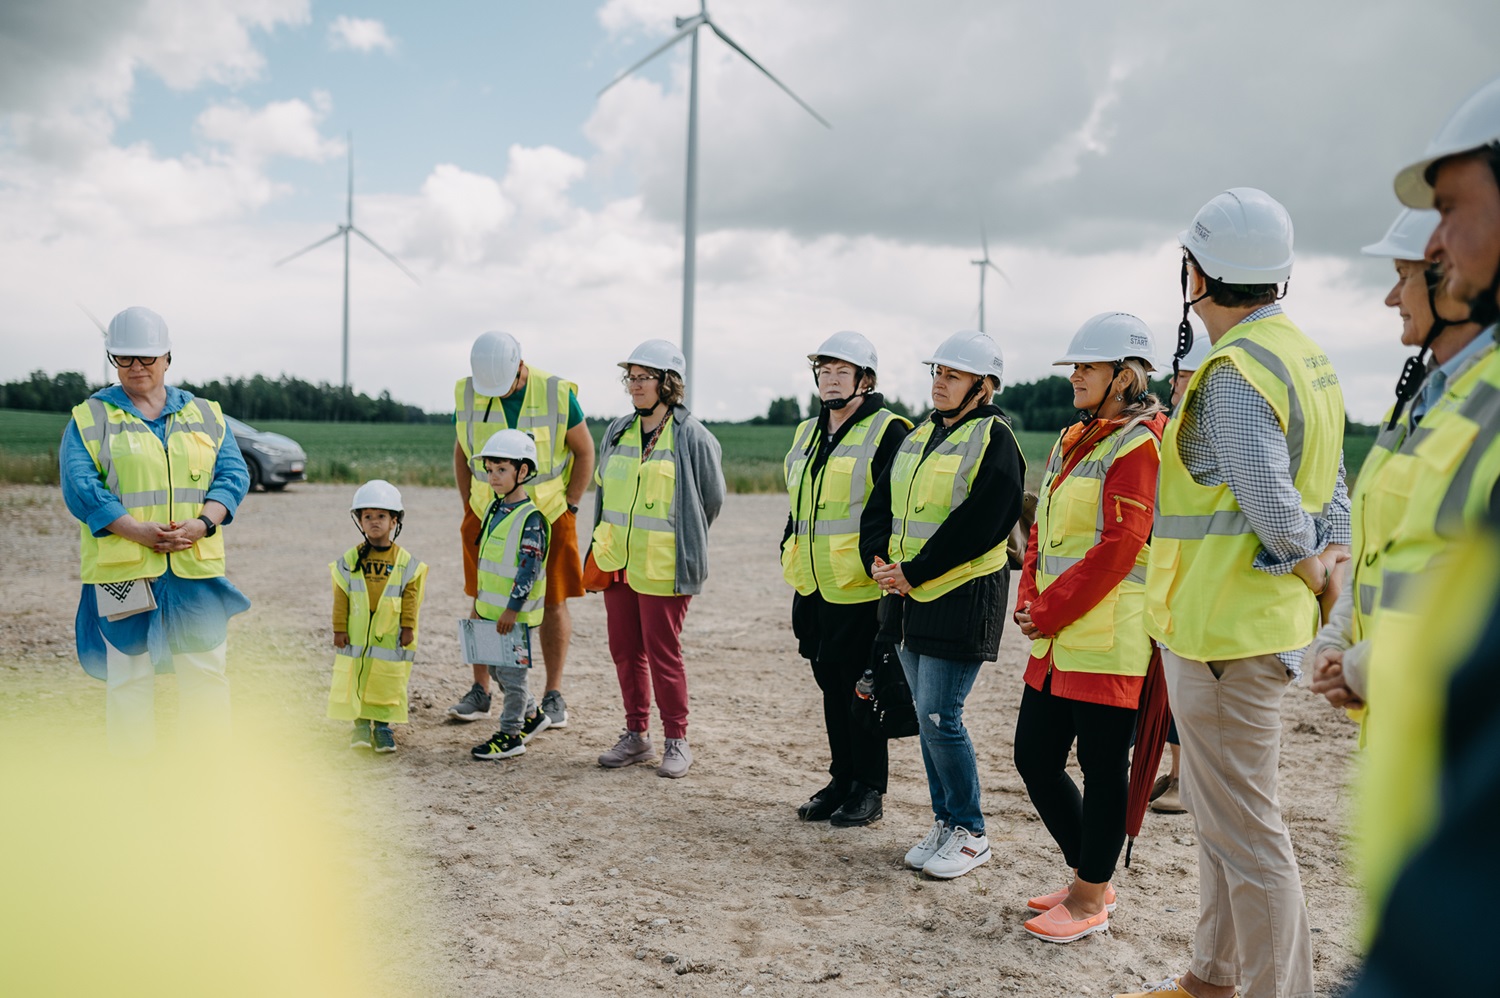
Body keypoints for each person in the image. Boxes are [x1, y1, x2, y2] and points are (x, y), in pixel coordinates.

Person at [1118, 188, 1351, 998]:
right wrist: (1328, 566)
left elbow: (1274, 504)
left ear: (1198, 274)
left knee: (1250, 836)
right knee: (1226, 820)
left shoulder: (1231, 371)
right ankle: (1211, 977)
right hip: (1248, 630)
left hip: (1225, 635)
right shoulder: (1305, 358)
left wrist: (1313, 572)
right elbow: (1333, 493)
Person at [1345, 72, 1500, 934]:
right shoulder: (1440, 399)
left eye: (1451, 210)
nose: (1438, 244)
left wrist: (1370, 662)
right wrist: (1350, 643)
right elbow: (1394, 547)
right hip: (1410, 732)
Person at [1011, 313, 1168, 943]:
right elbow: (1041, 536)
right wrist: (1029, 597)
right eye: (1074, 366)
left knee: (1104, 769)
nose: (1075, 375)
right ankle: (1092, 878)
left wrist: (1047, 609)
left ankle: (1088, 897)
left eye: (1087, 367)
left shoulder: (1139, 444)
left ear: (1124, 378)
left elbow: (1120, 547)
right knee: (1034, 757)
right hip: (1055, 635)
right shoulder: (1072, 436)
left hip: (1109, 638)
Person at [1304, 207, 1482, 723]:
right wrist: (1339, 635)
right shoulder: (1422, 398)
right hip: (1399, 706)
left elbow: (1471, 590)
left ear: (1450, 279)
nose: (1390, 298)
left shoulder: (1484, 402)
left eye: (1403, 278)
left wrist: (1362, 665)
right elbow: (1379, 551)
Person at [859, 330, 1026, 880]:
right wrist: (879, 561)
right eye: (938, 373)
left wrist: (915, 572)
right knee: (927, 718)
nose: (940, 383)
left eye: (953, 375)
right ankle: (946, 821)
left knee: (940, 714)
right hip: (906, 596)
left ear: (984, 385)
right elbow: (881, 503)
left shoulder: (995, 439)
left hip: (961, 596)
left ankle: (971, 831)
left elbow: (980, 525)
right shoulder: (919, 435)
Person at [60, 306, 251, 756]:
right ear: (113, 359)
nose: (136, 368)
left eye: (146, 358)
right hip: (123, 570)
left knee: (205, 671)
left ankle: (206, 772)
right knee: (128, 676)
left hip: (194, 568)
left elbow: (232, 475)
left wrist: (204, 523)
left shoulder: (206, 415)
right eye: (125, 359)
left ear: (167, 357)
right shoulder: (90, 417)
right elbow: (82, 487)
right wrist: (136, 531)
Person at [781, 331, 912, 826]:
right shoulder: (805, 433)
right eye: (824, 371)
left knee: (862, 689)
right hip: (812, 584)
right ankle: (841, 778)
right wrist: (787, 545)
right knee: (829, 685)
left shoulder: (889, 431)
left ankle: (868, 789)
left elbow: (894, 511)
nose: (831, 380)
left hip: (860, 588)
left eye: (841, 371)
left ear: (866, 379)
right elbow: (799, 506)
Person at [589, 340, 725, 778]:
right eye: (630, 377)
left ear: (668, 383)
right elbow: (606, 493)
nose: (634, 386)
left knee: (662, 653)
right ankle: (635, 736)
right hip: (617, 562)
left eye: (643, 377)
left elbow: (710, 500)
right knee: (625, 651)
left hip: (665, 565)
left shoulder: (693, 435)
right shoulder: (617, 431)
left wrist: (682, 543)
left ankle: (676, 740)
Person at [450, 331, 594, 728]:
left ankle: (552, 695)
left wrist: (571, 508)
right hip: (487, 516)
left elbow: (584, 452)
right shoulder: (467, 393)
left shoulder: (556, 393)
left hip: (549, 517)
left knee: (553, 602)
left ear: (520, 366)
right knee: (485, 599)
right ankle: (481, 690)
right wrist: (469, 508)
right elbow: (462, 453)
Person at [1150, 332, 1210, 816]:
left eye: (1186, 375)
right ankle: (1173, 772)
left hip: (1199, 579)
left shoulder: (1205, 430)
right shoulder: (1174, 427)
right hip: (1173, 577)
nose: (1176, 384)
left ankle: (1183, 778)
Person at [469, 430, 556, 761]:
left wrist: (511, 610)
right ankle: (533, 716)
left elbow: (528, 570)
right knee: (497, 671)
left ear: (523, 471)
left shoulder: (530, 519)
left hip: (513, 617)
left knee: (513, 677)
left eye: (501, 470)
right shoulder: (497, 509)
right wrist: (481, 607)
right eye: (490, 470)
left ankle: (510, 735)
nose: (493, 477)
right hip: (492, 612)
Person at [328, 479, 428, 754]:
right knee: (358, 678)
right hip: (357, 635)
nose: (374, 522)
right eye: (368, 516)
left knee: (386, 681)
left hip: (390, 636)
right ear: (359, 520)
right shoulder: (350, 559)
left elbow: (410, 598)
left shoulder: (405, 562)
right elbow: (341, 596)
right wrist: (339, 628)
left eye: (381, 516)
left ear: (394, 521)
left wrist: (408, 627)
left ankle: (383, 728)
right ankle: (360, 726)